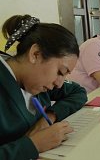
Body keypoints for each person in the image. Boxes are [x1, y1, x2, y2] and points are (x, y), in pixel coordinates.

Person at [0, 14, 87, 159]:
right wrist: (34, 144)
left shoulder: (36, 83)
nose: (59, 83)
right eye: (60, 72)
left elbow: (78, 92)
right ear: (36, 54)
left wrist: (49, 116)